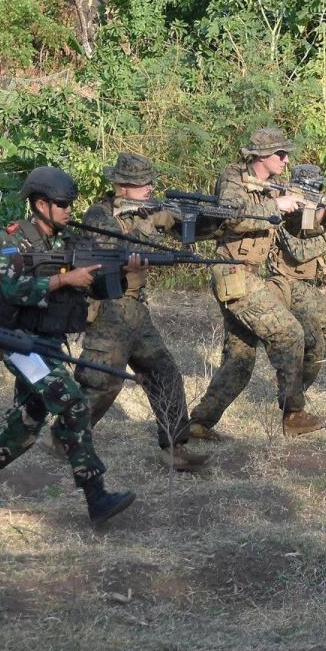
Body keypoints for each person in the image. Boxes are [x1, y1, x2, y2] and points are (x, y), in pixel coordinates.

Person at [0, 166, 136, 523]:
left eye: (70, 204)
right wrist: (63, 281)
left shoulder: (72, 242)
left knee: (26, 420)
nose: (68, 210)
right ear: (40, 204)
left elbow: (99, 289)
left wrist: (124, 272)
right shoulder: (12, 240)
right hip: (20, 342)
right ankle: (96, 497)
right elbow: (15, 290)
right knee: (73, 404)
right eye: (62, 204)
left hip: (50, 343)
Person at [64, 152, 210, 473]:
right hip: (108, 309)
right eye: (139, 183)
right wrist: (149, 227)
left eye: (148, 182)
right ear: (121, 186)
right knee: (102, 384)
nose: (148, 188)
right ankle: (64, 437)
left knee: (165, 374)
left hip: (135, 310)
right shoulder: (99, 215)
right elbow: (116, 252)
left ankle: (175, 447)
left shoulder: (145, 210)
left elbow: (185, 231)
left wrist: (198, 219)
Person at [188, 127, 326, 440]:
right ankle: (293, 413)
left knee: (240, 360)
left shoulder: (273, 185)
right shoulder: (234, 177)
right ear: (261, 156)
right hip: (232, 272)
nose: (286, 159)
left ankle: (198, 424)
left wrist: (323, 214)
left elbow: (296, 233)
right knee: (290, 334)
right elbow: (232, 216)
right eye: (281, 154)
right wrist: (275, 207)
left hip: (248, 276)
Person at [267, 163, 326, 392]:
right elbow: (301, 252)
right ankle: (292, 393)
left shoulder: (306, 211)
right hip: (286, 281)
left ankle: (296, 386)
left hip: (304, 282)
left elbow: (310, 228)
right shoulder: (280, 212)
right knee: (313, 342)